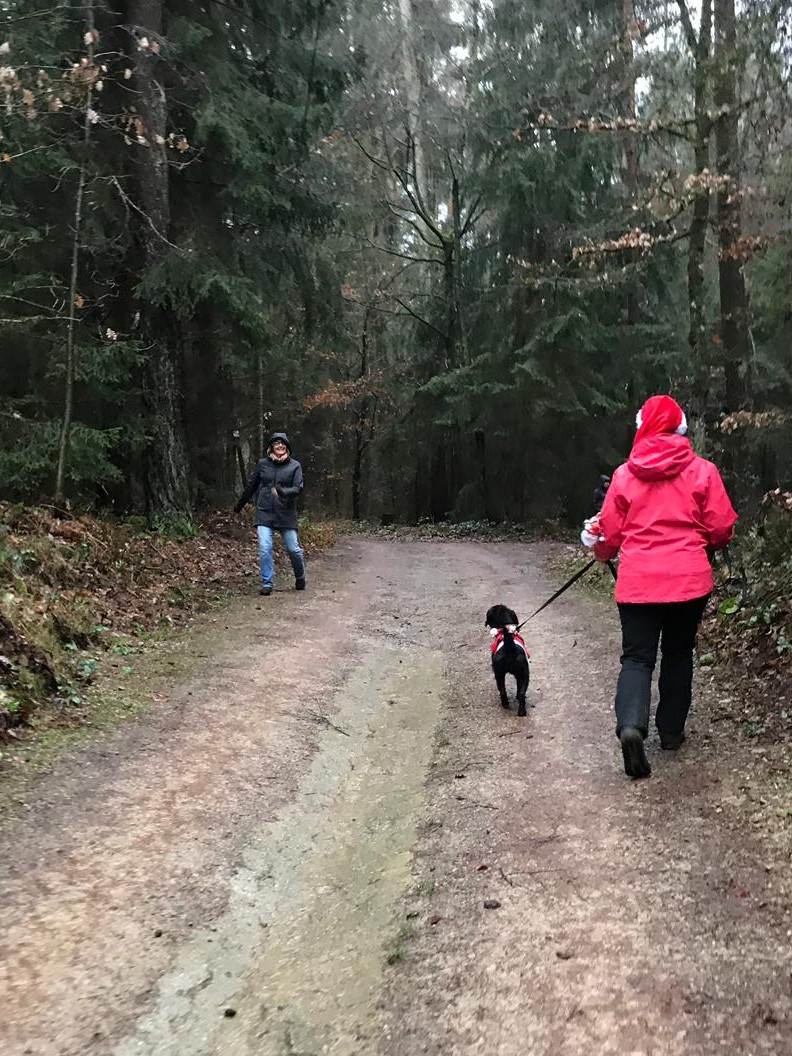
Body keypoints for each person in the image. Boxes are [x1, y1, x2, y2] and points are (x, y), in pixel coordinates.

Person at [581, 395, 737, 779]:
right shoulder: (703, 471)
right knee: (679, 654)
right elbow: (720, 529)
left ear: (642, 429)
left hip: (638, 582)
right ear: (681, 428)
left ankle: (632, 725)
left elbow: (610, 536)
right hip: (689, 580)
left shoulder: (623, 476)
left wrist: (595, 545)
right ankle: (670, 732)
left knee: (636, 658)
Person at [234, 432, 306, 596]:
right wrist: (239, 506)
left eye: (282, 443)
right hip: (265, 512)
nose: (279, 446)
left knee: (293, 549)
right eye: (276, 444)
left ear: (287, 447)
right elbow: (252, 486)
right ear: (271, 447)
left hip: (286, 513)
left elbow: (298, 488)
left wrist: (282, 491)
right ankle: (267, 583)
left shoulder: (295, 466)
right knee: (265, 547)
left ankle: (300, 576)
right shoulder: (263, 464)